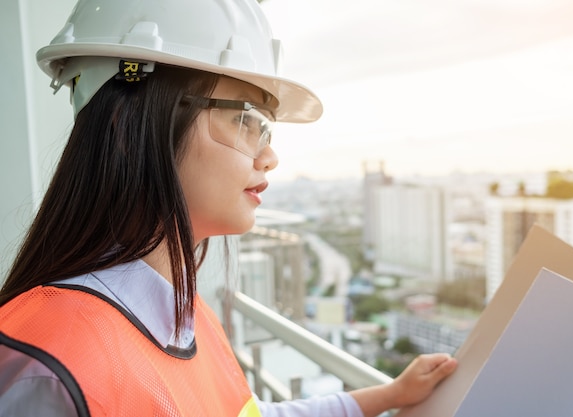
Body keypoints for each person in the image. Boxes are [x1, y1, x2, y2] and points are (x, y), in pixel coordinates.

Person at [0, 0, 457, 416]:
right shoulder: (52, 369)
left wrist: (388, 396)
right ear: (127, 127)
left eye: (264, 129)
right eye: (243, 120)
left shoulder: (186, 315)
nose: (269, 156)